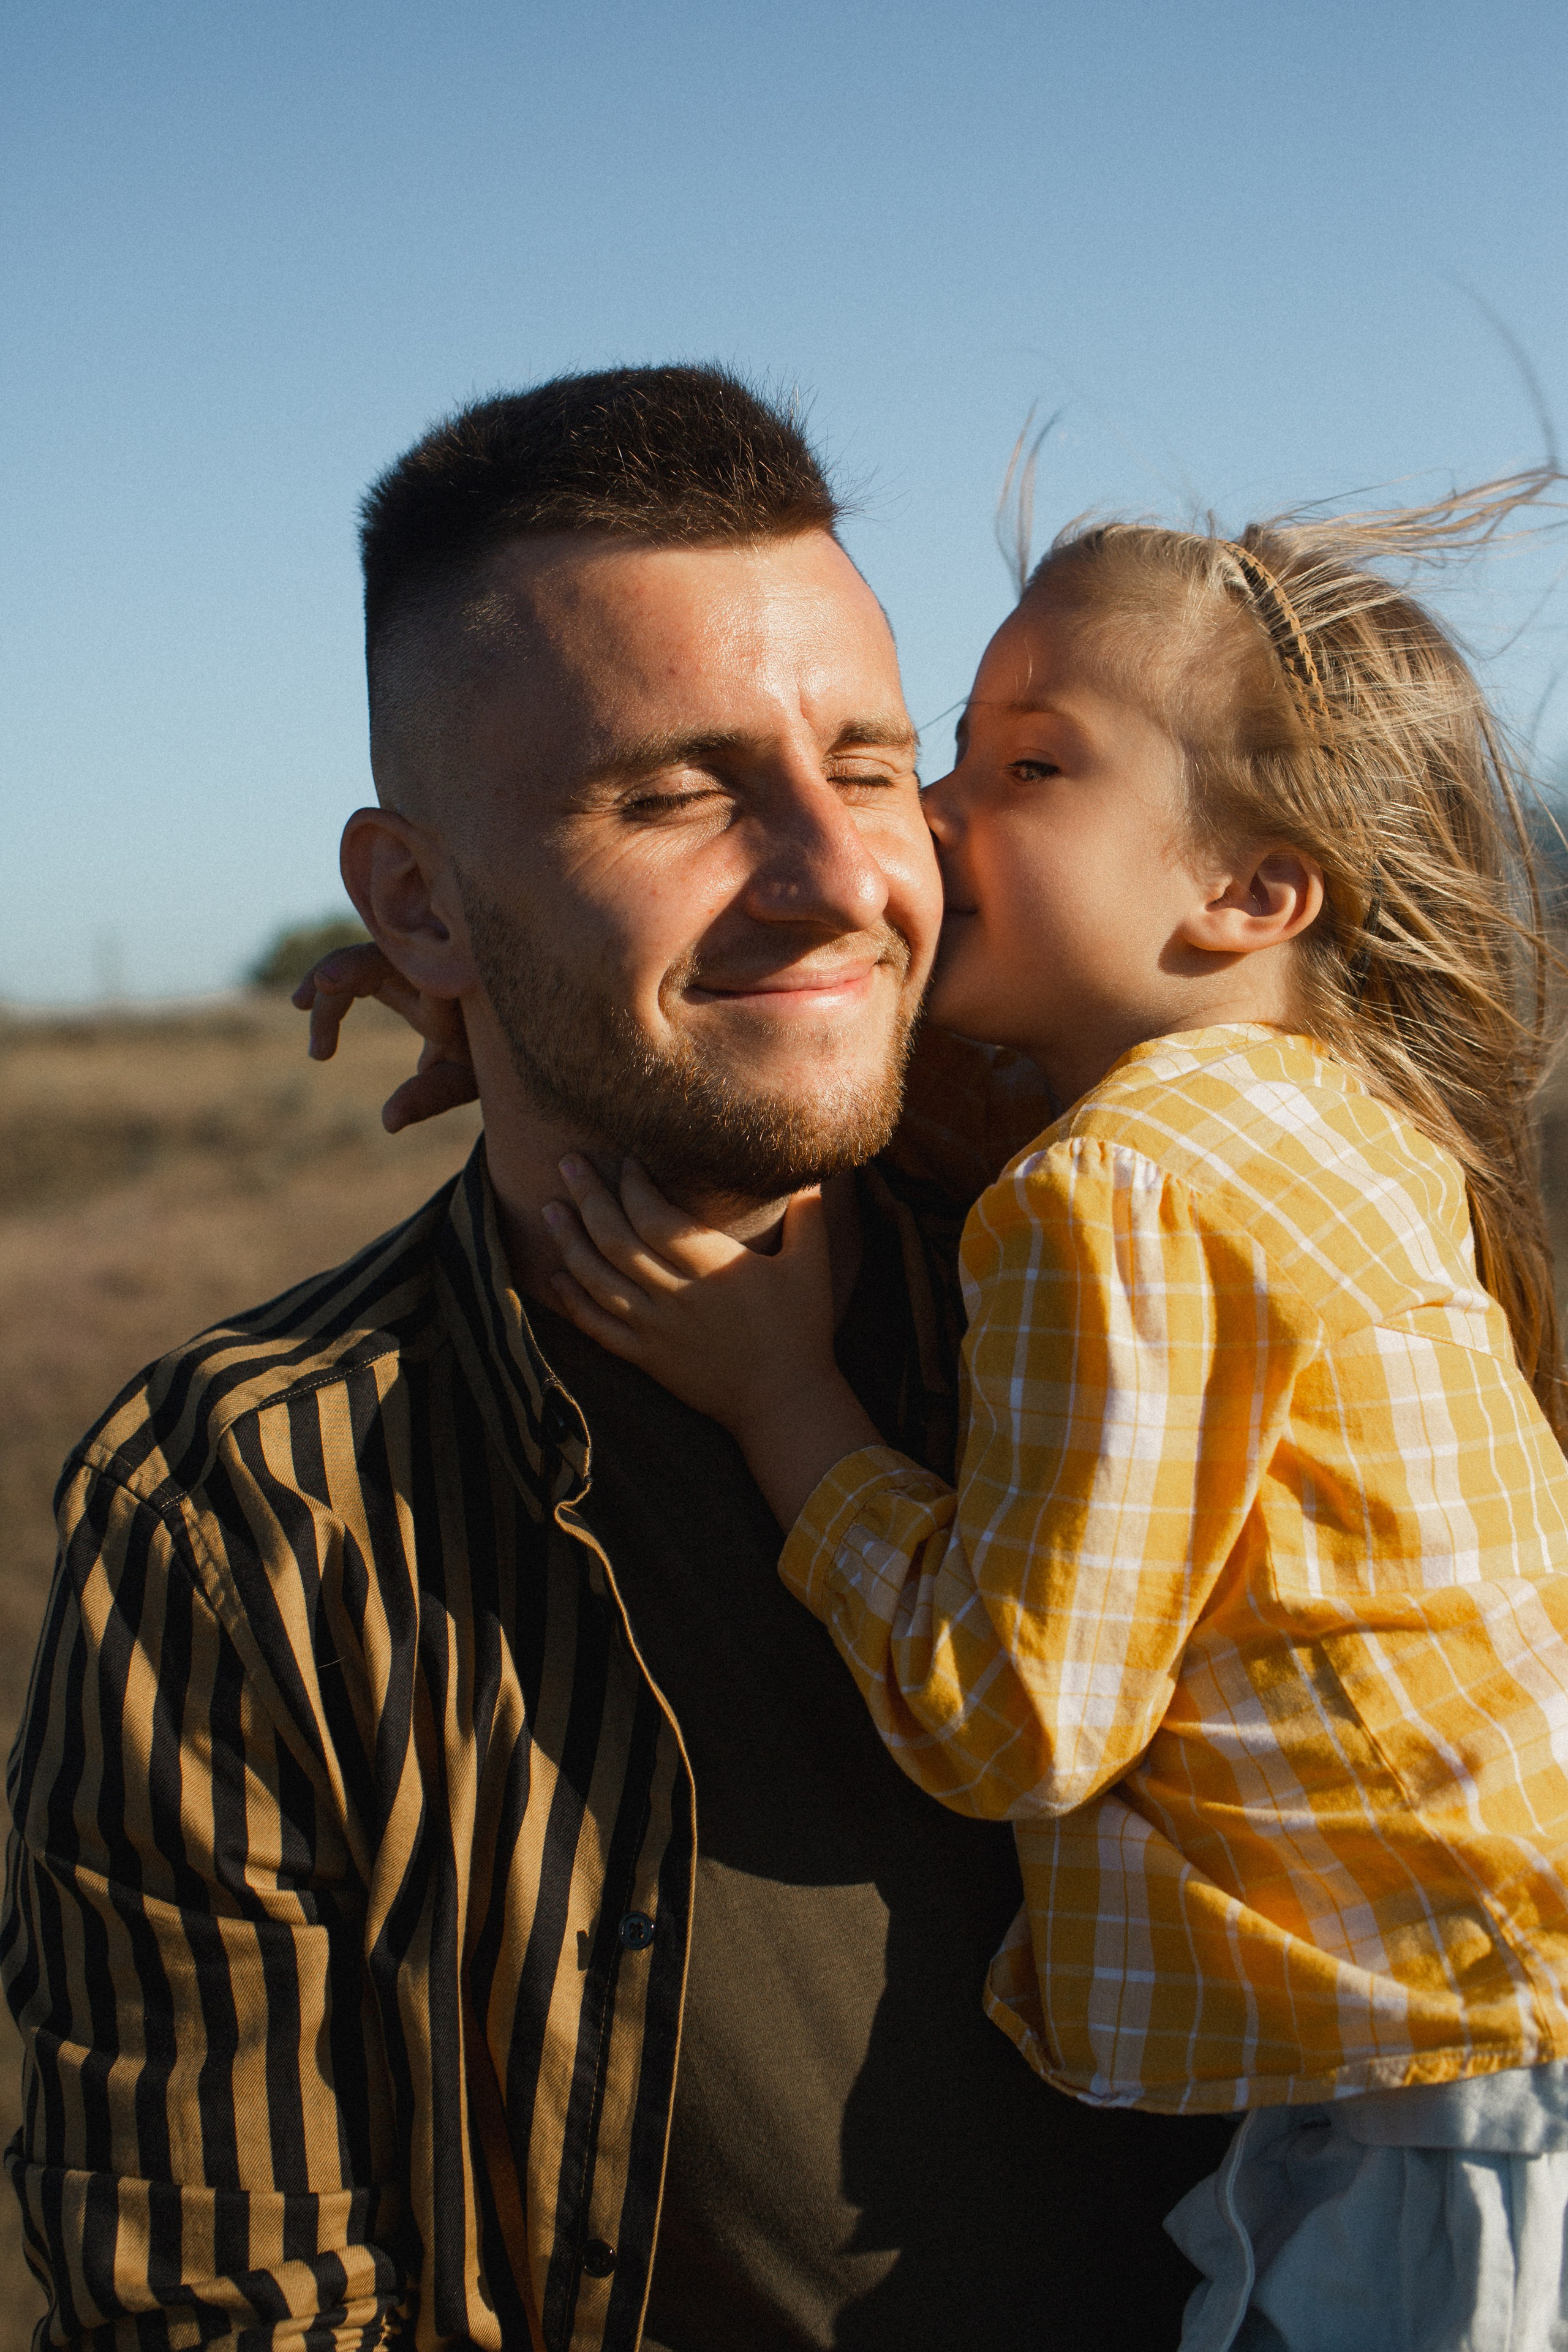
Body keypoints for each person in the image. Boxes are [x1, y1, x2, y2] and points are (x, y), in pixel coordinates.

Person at [3, 367, 1235, 2352]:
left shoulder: (1165, 1304)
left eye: (867, 761)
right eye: (671, 795)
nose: (844, 880)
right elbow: (221, 2303)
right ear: (415, 900)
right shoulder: (257, 1517)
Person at [523, 482, 1568, 2349]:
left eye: (1031, 766)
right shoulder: (1338, 1127)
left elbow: (1018, 1717)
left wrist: (787, 1401)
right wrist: (530, 1011)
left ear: (1248, 891)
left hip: (1442, 2135)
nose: (924, 819)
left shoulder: (1117, 1190)